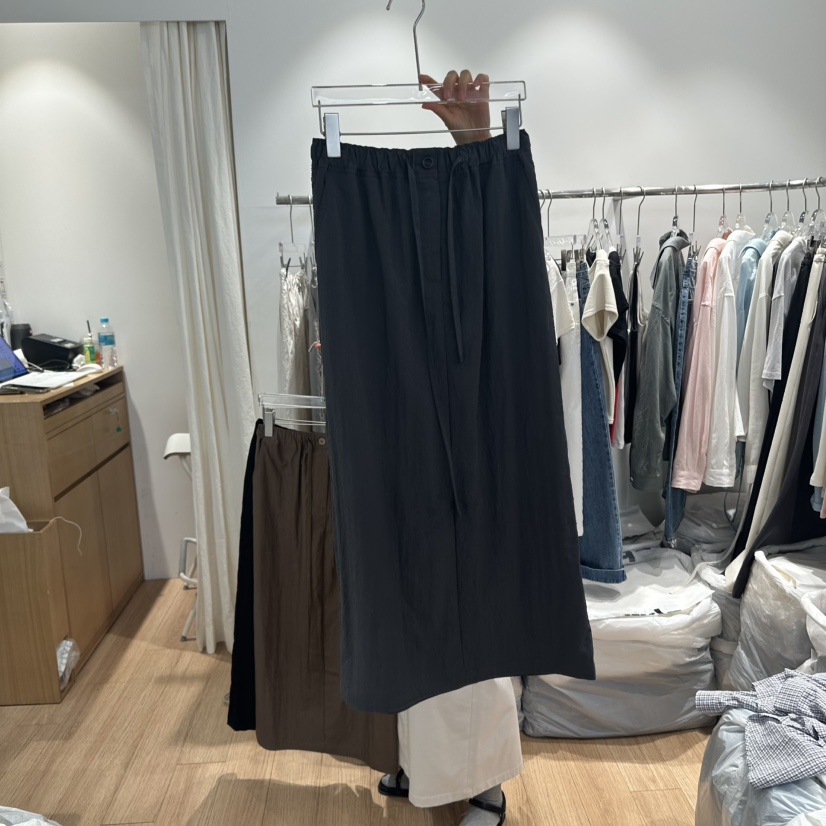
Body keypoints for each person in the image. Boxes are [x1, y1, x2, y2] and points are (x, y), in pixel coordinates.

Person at [376, 68, 520, 826]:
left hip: (474, 443)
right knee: (408, 603)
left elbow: (493, 246)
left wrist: (477, 140)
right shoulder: (386, 262)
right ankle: (418, 761)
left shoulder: (491, 263)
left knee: (470, 608)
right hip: (407, 437)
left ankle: (487, 783)